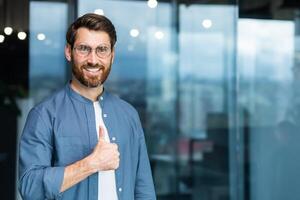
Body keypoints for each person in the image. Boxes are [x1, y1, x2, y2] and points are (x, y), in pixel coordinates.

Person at [18, 13, 156, 200]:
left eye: (102, 49)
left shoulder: (128, 114)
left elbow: (144, 188)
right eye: (84, 49)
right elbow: (29, 187)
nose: (93, 59)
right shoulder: (43, 115)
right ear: (69, 52)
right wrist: (91, 164)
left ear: (112, 55)